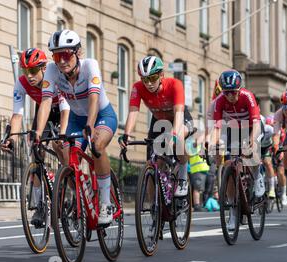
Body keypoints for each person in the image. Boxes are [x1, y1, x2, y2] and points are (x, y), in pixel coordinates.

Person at [35, 30, 118, 225]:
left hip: (101, 115)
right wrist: (38, 133)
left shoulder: (90, 66)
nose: (61, 61)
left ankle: (105, 202)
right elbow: (46, 102)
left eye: (65, 55)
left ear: (77, 53)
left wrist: (90, 125)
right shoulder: (52, 71)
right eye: (56, 56)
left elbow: (94, 98)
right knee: (65, 151)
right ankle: (84, 189)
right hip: (75, 119)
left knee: (97, 146)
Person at [0, 47, 70, 226]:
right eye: (25, 70)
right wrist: (12, 139)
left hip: (65, 110)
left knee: (62, 147)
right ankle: (40, 204)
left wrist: (62, 135)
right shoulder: (21, 83)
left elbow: (65, 110)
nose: (29, 75)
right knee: (36, 149)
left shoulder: (55, 78)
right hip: (44, 111)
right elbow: (17, 115)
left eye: (33, 70)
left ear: (43, 68)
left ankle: (71, 187)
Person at [119, 55, 193, 198]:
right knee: (152, 165)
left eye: (152, 78)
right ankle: (154, 207)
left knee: (178, 138)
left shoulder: (174, 84)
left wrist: (174, 135)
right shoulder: (138, 87)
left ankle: (183, 178)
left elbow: (179, 112)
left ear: (161, 75)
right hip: (158, 122)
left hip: (180, 119)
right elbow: (133, 112)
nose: (149, 84)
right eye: (145, 79)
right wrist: (126, 135)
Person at [210, 70, 263, 230]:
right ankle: (233, 212)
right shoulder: (219, 101)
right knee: (229, 165)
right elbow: (217, 128)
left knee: (250, 151)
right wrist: (213, 144)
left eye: (233, 92)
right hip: (232, 130)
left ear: (239, 89)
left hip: (251, 127)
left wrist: (251, 142)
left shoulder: (247, 96)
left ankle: (257, 176)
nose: (230, 96)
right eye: (226, 92)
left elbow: (256, 124)